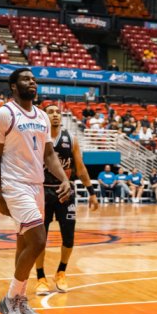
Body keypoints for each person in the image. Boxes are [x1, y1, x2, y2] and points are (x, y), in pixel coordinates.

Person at [0, 68, 72, 314]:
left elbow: (49, 155)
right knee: (38, 241)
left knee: (25, 244)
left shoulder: (43, 116)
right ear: (13, 86)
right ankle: (10, 298)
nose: (32, 83)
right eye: (26, 79)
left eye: (34, 80)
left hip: (37, 186)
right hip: (15, 186)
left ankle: (21, 300)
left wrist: (65, 178)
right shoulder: (3, 114)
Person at [34, 103, 99, 295]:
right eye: (50, 112)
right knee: (39, 239)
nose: (55, 115)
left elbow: (80, 168)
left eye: (58, 112)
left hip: (66, 193)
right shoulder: (37, 138)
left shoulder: (71, 139)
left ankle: (61, 272)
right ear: (44, 116)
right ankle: (40, 277)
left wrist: (92, 192)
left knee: (69, 237)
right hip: (42, 192)